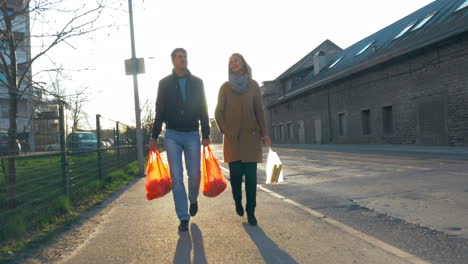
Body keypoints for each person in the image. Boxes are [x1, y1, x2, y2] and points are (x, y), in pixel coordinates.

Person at [148, 48, 210, 232]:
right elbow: (159, 110)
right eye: (179, 57)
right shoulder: (164, 83)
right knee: (176, 176)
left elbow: (203, 108)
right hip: (172, 134)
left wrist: (206, 134)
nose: (183, 59)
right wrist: (153, 136)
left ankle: (193, 199)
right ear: (173, 61)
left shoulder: (197, 83)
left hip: (192, 133)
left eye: (185, 56)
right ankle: (183, 216)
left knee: (194, 174)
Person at [215, 53, 271, 226]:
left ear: (243, 63)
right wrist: (225, 130)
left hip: (251, 137)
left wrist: (264, 133)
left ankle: (251, 211)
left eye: (236, 60)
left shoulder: (253, 86)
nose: (233, 63)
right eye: (231, 62)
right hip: (233, 139)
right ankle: (238, 201)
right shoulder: (225, 87)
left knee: (252, 179)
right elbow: (218, 112)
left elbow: (259, 111)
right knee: (236, 177)